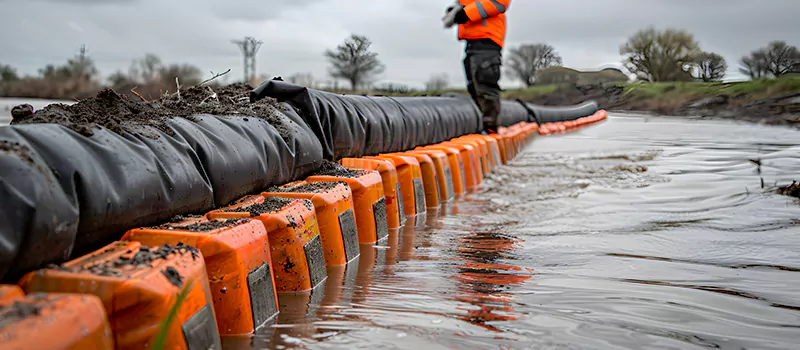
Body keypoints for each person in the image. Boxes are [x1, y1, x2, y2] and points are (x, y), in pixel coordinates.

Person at [443, 0, 511, 133]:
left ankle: (490, 128)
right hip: (473, 41)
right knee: (474, 87)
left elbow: (499, 3)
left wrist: (465, 13)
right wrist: (456, 10)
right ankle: (483, 126)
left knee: (485, 86)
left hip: (486, 40)